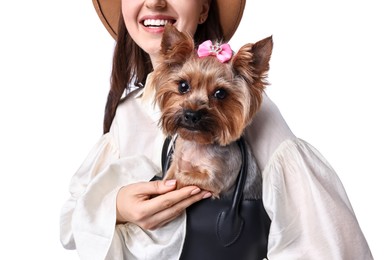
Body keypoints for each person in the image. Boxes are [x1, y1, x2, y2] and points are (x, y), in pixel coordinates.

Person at [60, 0, 373, 259]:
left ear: (204, 8)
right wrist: (116, 207)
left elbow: (325, 237)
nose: (155, 1)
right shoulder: (126, 115)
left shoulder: (252, 114)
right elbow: (71, 223)